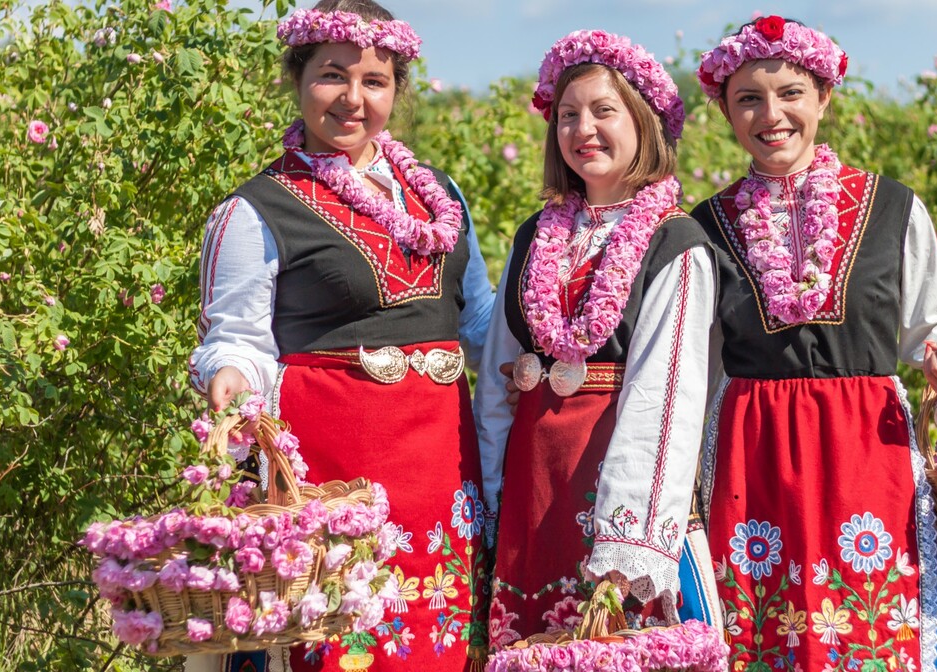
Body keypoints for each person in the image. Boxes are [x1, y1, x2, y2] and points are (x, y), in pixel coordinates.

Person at [686, 16, 937, 672]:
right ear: (726, 112)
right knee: (763, 639)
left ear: (824, 97)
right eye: (749, 98)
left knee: (879, 639)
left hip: (869, 459)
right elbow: (687, 367)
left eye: (790, 93)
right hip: (754, 468)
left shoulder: (893, 209)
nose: (771, 114)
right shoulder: (703, 228)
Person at [186, 1, 492, 669]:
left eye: (375, 81)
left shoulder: (442, 196)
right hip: (334, 476)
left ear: (396, 91)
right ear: (297, 81)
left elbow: (480, 325)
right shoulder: (256, 208)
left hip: (441, 475)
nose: (353, 99)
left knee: (433, 645)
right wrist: (229, 377)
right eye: (332, 75)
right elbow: (235, 338)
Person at [472, 30, 717, 645]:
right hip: (535, 480)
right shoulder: (536, 233)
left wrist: (627, 536)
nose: (583, 129)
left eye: (603, 111)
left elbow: (667, 396)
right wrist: (493, 496)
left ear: (643, 121)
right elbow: (500, 375)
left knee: (610, 644)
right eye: (567, 115)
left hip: (612, 475)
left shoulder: (674, 243)